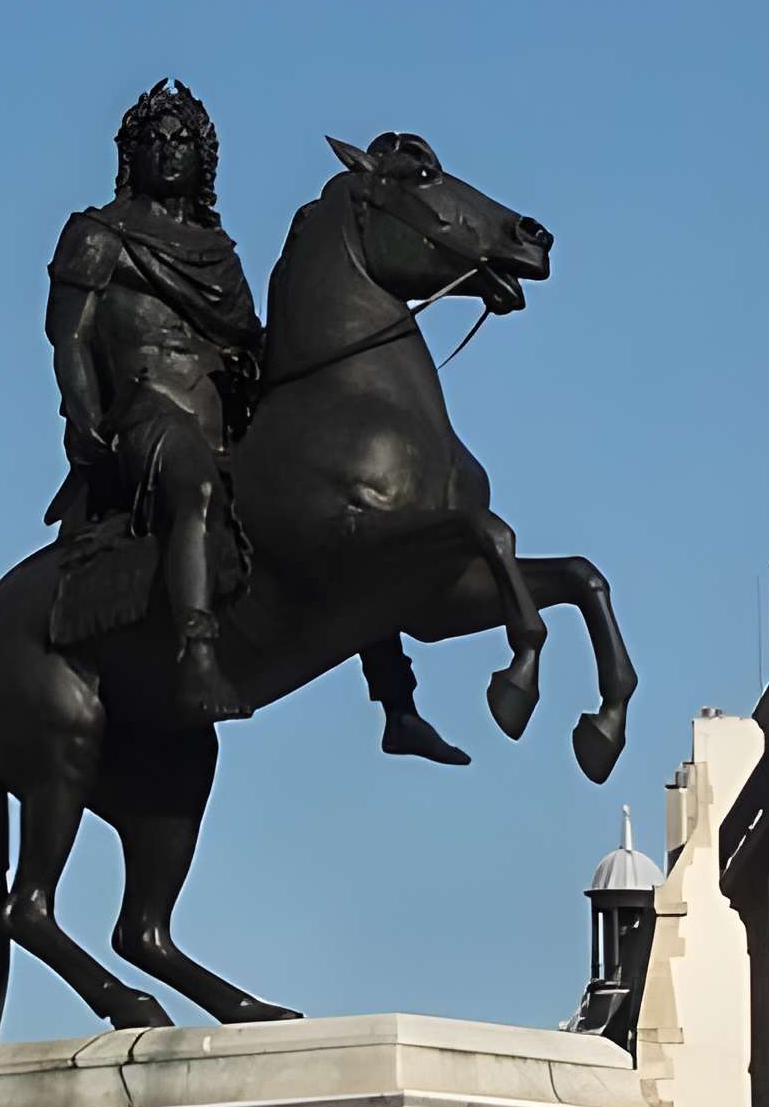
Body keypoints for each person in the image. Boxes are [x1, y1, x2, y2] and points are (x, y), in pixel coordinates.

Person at [47, 85, 468, 761]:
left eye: (183, 139)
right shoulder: (99, 235)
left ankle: (397, 702)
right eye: (154, 139)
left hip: (224, 416)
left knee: (338, 511)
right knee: (198, 489)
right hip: (150, 415)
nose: (169, 150)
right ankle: (199, 655)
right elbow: (68, 338)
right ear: (131, 154)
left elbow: (247, 338)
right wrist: (87, 418)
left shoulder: (215, 250)